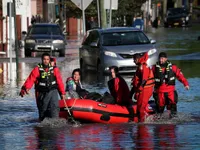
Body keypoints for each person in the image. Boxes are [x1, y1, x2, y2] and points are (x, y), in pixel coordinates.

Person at [19, 53, 66, 121]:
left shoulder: (54, 69)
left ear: (49, 60)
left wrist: (62, 93)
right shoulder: (37, 69)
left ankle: (55, 123)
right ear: (42, 60)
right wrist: (25, 88)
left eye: (47, 59)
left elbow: (59, 81)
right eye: (44, 59)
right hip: (41, 93)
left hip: (53, 91)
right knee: (43, 110)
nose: (46, 61)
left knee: (55, 107)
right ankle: (42, 123)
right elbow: (30, 79)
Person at [152, 52, 189, 117]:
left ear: (166, 59)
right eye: (160, 58)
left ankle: (174, 120)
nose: (161, 60)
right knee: (159, 109)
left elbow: (180, 76)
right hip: (160, 92)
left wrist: (186, 84)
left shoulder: (173, 67)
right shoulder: (154, 68)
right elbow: (148, 77)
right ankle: (159, 122)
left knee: (173, 106)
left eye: (162, 58)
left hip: (170, 91)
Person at [130, 52, 155, 122]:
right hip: (142, 90)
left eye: (134, 59)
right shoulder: (140, 67)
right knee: (139, 106)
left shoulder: (143, 66)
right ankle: (141, 120)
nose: (133, 61)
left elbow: (144, 79)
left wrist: (139, 89)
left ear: (137, 59)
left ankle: (143, 122)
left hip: (145, 89)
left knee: (141, 107)